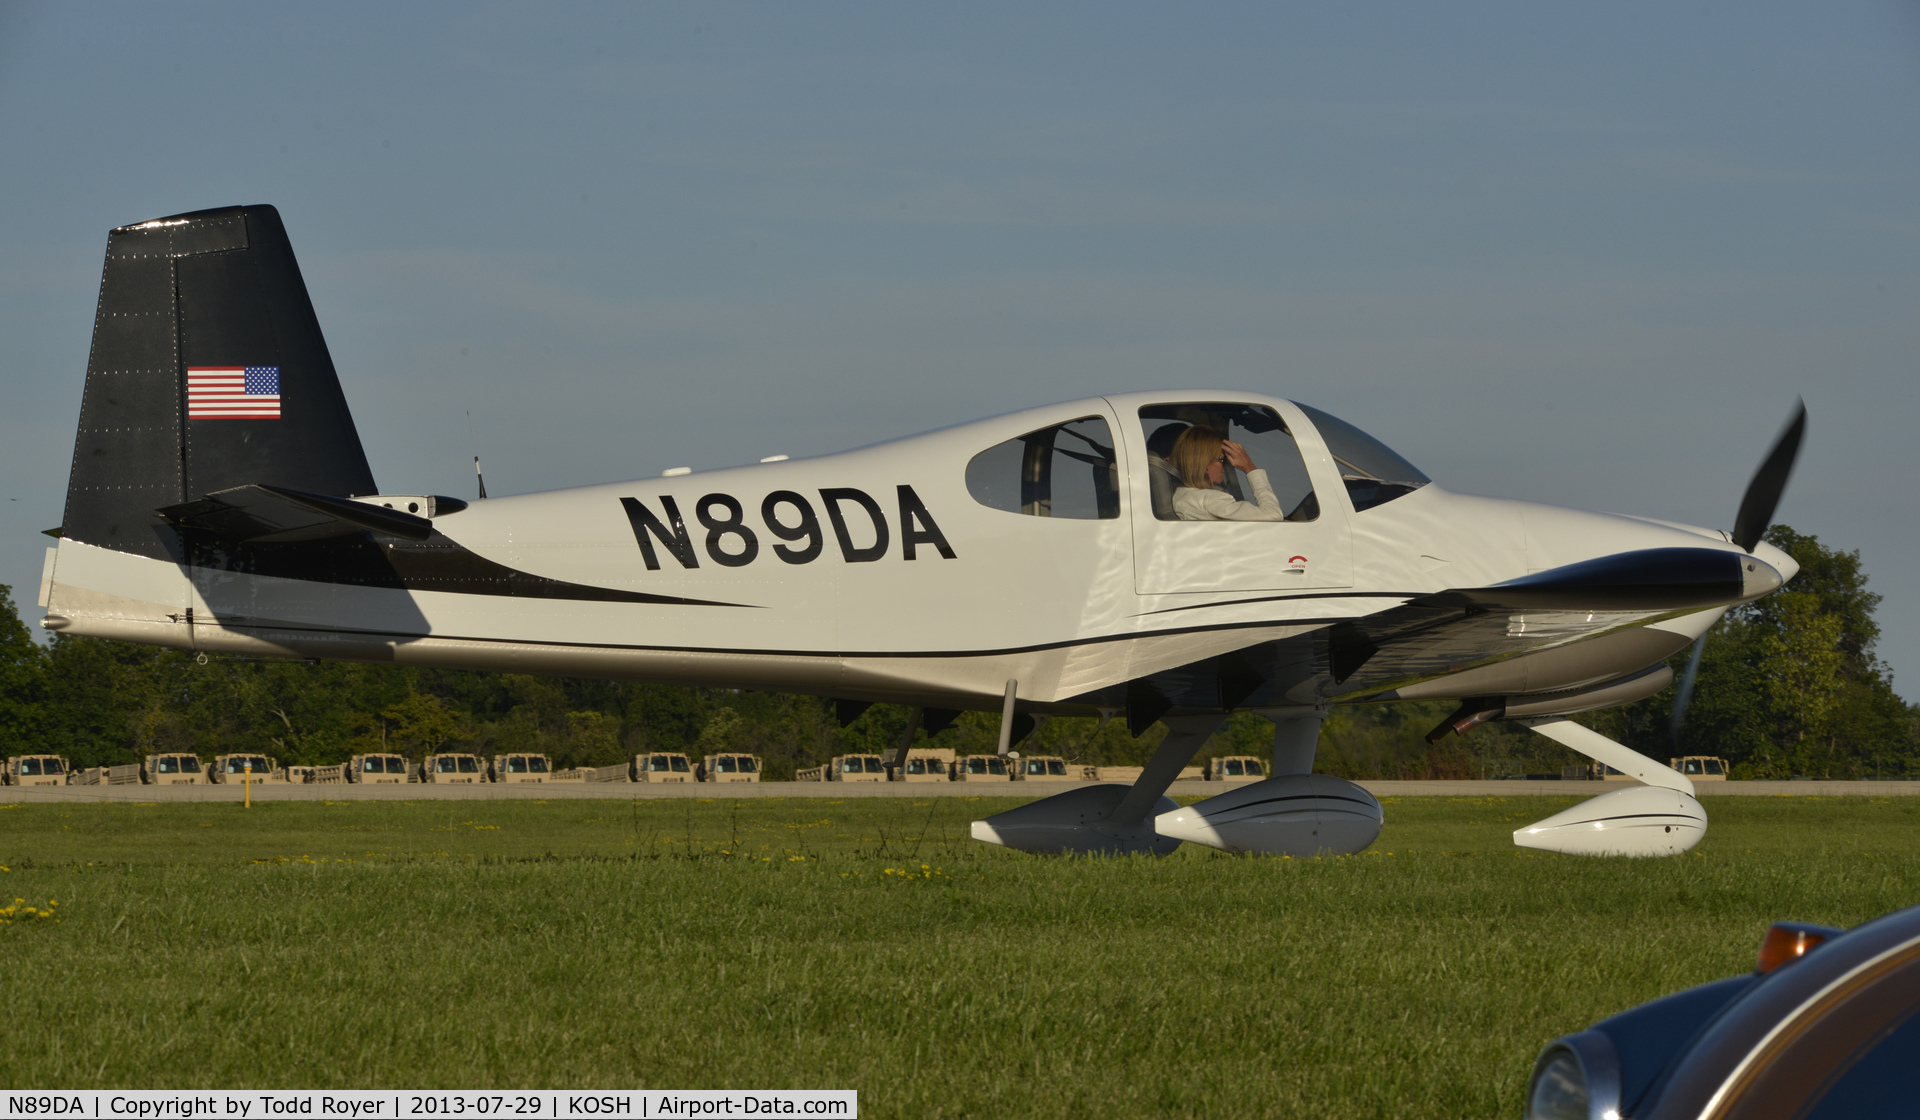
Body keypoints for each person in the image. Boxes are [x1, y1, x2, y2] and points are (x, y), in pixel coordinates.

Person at [1168, 425, 1283, 521]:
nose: (1227, 465)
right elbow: (1273, 516)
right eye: (1223, 460)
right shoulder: (1210, 500)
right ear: (1203, 462)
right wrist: (1250, 468)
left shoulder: (1182, 496)